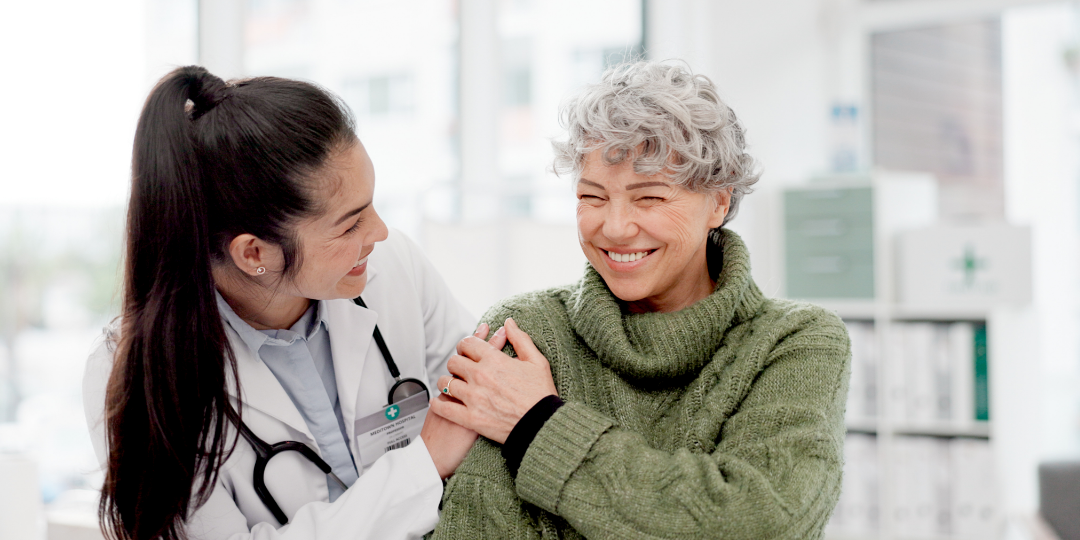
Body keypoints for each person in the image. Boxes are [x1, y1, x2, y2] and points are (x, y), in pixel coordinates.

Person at [427, 61, 851, 539]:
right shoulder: (527, 330)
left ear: (719, 201)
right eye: (592, 197)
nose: (614, 227)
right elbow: (478, 527)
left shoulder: (796, 341)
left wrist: (536, 425)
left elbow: (761, 522)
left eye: (648, 198)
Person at [82, 66, 495, 540]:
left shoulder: (393, 267)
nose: (379, 233)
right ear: (254, 253)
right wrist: (421, 469)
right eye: (349, 224)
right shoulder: (136, 372)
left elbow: (481, 408)